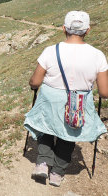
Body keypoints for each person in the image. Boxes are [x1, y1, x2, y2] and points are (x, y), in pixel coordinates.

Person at [24, 11, 108, 187]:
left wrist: (33, 85)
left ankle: (43, 163)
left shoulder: (50, 51)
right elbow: (104, 92)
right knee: (69, 135)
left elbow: (36, 81)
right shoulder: (97, 55)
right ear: (88, 30)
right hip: (77, 103)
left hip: (50, 99)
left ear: (64, 29)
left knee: (45, 128)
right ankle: (57, 173)